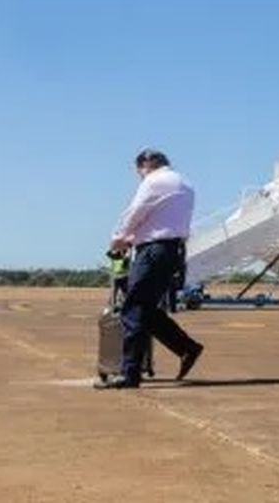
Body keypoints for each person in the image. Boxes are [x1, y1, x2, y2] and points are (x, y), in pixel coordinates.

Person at [96, 149, 204, 389]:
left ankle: (129, 373)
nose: (140, 177)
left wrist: (118, 238)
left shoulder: (154, 181)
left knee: (132, 309)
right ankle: (187, 348)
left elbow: (136, 212)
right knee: (145, 309)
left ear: (146, 164)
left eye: (139, 172)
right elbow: (159, 218)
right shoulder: (184, 183)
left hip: (153, 251)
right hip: (173, 251)